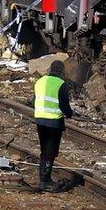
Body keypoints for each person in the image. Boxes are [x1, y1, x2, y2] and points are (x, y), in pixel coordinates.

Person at [33, 60, 73, 192]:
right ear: (61, 71)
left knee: (44, 150)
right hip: (53, 122)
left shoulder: (40, 81)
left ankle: (44, 178)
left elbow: (35, 100)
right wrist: (70, 114)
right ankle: (45, 180)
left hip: (40, 120)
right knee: (50, 151)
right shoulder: (61, 84)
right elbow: (64, 105)